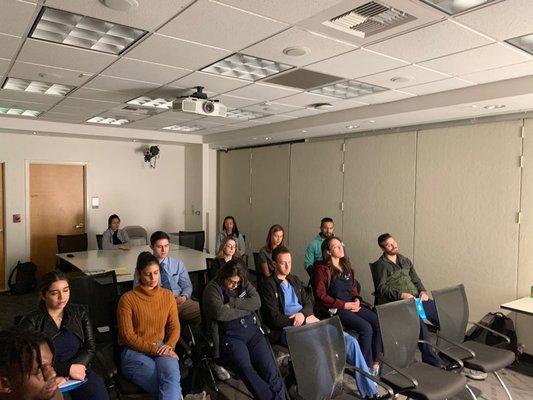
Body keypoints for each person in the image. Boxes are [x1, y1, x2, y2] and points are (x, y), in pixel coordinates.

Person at [260, 246, 379, 399]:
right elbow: (274, 318)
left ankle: (370, 392)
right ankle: (323, 394)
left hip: (308, 321)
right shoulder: (267, 286)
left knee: (350, 342)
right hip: (290, 329)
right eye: (283, 263)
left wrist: (303, 314)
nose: (288, 266)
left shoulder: (294, 280)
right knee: (321, 350)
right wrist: (298, 318)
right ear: (274, 264)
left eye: (289, 262)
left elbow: (309, 303)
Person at [203, 260, 286, 400]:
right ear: (224, 276)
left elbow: (256, 302)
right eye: (231, 281)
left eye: (237, 283)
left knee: (270, 369)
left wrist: (234, 303)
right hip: (230, 337)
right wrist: (246, 310)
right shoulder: (212, 289)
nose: (234, 285)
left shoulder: (243, 284)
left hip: (253, 333)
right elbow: (221, 313)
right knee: (247, 370)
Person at [19, 272, 108, 400]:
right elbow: (27, 360)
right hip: (48, 375)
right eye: (55, 293)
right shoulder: (31, 321)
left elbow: (90, 347)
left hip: (80, 369)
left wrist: (74, 369)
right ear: (43, 295)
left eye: (66, 290)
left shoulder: (80, 313)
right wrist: (65, 370)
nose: (62, 297)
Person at [373, 233, 443, 369]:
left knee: (441, 313)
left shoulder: (405, 260)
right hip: (400, 303)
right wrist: (401, 295)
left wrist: (423, 291)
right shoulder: (380, 265)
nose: (394, 246)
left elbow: (416, 280)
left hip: (417, 299)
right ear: (383, 248)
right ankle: (432, 361)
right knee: (420, 325)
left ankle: (448, 353)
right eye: (389, 244)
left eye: (394, 242)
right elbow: (381, 288)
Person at [313, 236, 382, 374]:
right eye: (336, 246)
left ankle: (375, 361)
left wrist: (356, 299)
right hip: (336, 308)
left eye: (341, 245)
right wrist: (344, 305)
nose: (340, 248)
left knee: (377, 321)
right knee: (366, 328)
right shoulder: (322, 269)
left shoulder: (346, 266)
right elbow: (321, 295)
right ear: (328, 252)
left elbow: (353, 288)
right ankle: (364, 368)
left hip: (352, 304)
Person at [117, 251, 181, 399]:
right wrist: (156, 350)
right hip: (134, 352)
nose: (153, 278)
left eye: (156, 273)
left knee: (170, 378)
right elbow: (127, 336)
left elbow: (174, 327)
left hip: (162, 348)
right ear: (139, 274)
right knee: (168, 385)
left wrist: (170, 345)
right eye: (148, 274)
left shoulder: (168, 296)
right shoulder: (127, 299)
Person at [149, 231, 201, 329]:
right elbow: (138, 289)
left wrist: (184, 297)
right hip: (158, 305)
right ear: (152, 247)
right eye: (159, 247)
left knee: (204, 311)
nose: (164, 250)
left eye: (166, 246)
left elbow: (187, 285)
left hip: (179, 301)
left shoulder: (177, 264)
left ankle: (193, 339)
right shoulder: (145, 266)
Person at [0, 327, 63, 400]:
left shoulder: (51, 393)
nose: (52, 374)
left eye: (51, 365)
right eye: (39, 371)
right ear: (3, 384)